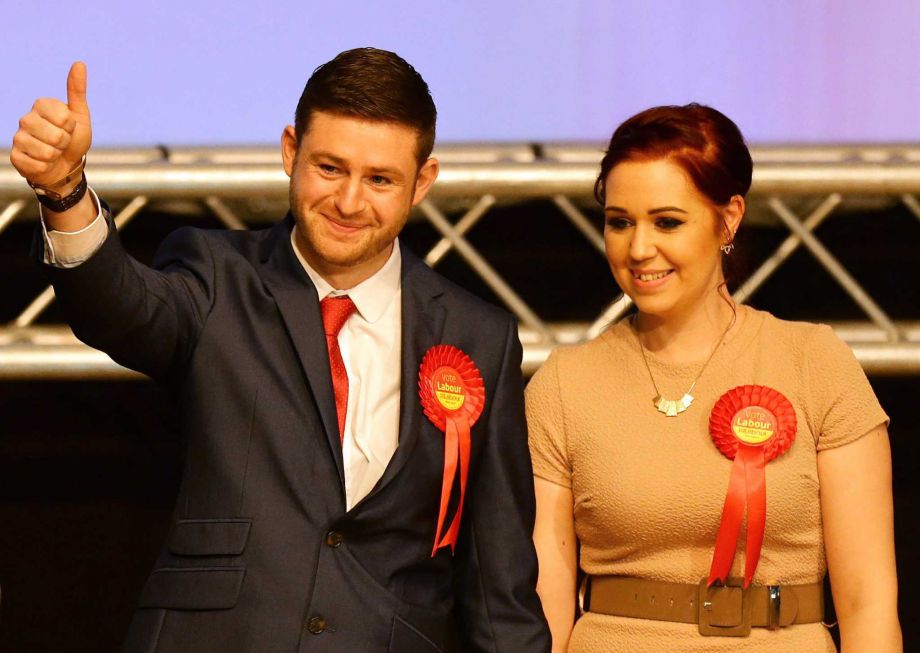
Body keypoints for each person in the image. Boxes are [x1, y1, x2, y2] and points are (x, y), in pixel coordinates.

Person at [10, 49, 550, 652]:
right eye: (329, 167)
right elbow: (120, 309)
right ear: (291, 150)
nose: (349, 202)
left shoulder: (478, 337)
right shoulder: (216, 274)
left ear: (422, 182)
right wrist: (64, 190)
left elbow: (499, 584)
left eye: (379, 179)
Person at [527, 104, 901, 652]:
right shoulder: (563, 385)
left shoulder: (814, 362)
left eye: (668, 222)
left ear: (728, 219)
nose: (638, 248)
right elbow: (543, 610)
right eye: (619, 222)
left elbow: (868, 603)